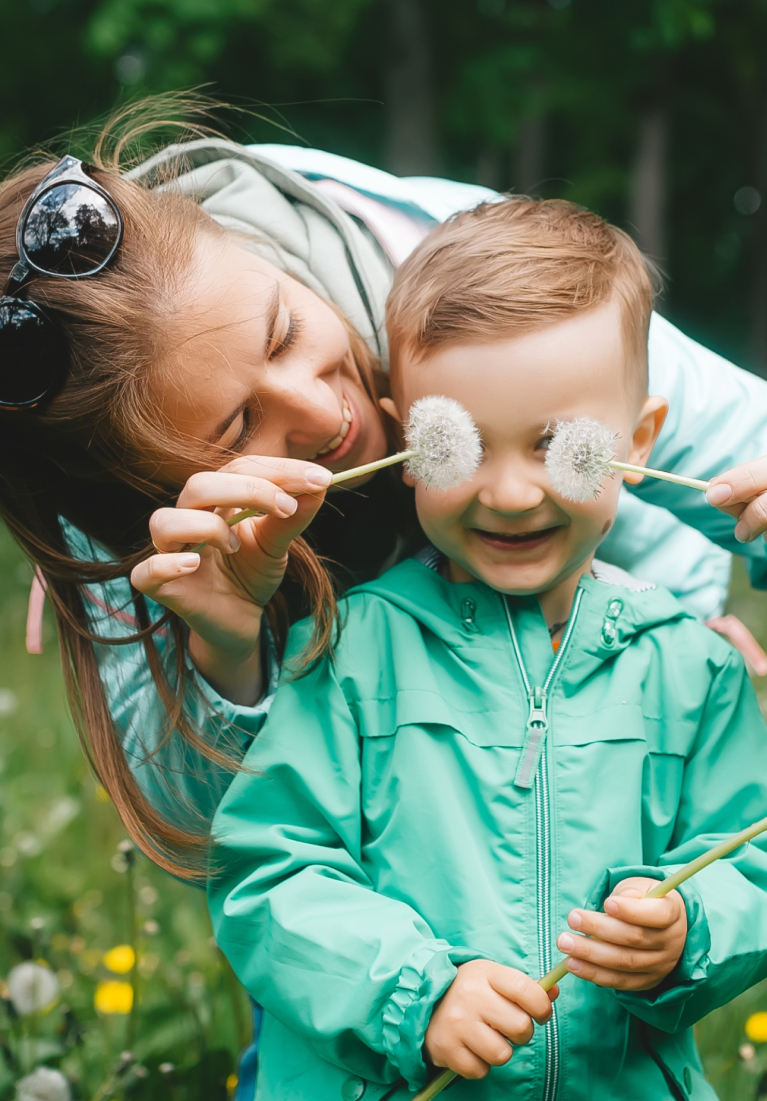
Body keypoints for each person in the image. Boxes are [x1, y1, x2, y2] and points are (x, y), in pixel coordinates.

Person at [209, 197, 767, 1101]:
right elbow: (269, 875)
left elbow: (749, 862)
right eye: (458, 446)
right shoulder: (343, 651)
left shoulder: (692, 670)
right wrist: (415, 993)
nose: (510, 492)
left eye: (561, 446)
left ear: (641, 438)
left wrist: (688, 931)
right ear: (401, 437)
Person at [3, 113, 767, 878]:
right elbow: (219, 835)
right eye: (236, 430)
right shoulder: (118, 498)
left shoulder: (490, 286)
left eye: (283, 332)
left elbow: (738, 444)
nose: (322, 412)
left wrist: (669, 643)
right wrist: (225, 653)